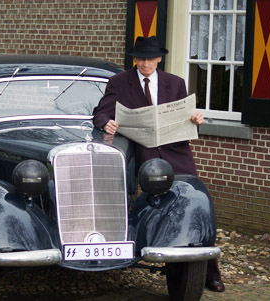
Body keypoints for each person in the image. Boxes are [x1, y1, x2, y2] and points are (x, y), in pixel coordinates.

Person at [93, 35, 225, 293]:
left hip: (178, 153)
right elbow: (101, 112)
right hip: (145, 154)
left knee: (196, 206)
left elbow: (186, 114)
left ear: (159, 58)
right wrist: (104, 122)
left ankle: (209, 273)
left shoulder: (175, 83)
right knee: (155, 205)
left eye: (150, 59)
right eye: (141, 58)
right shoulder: (119, 82)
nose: (145, 64)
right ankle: (157, 252)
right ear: (135, 59)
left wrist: (197, 117)